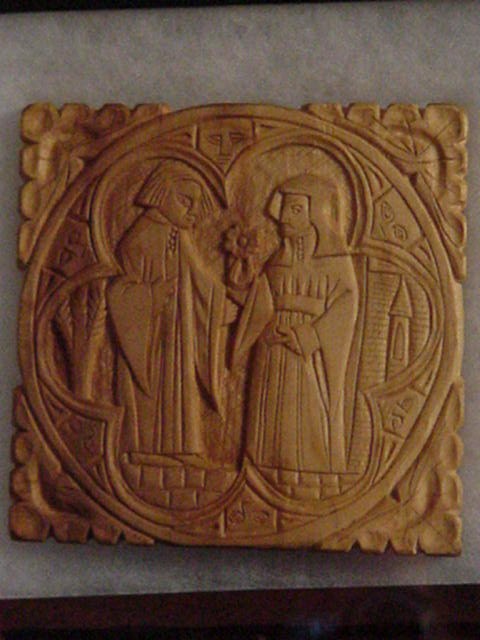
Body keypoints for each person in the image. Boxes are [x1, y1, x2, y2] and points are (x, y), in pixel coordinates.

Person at [107, 160, 234, 466]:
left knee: (179, 386)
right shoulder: (138, 239)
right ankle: (144, 450)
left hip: (179, 332)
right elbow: (119, 293)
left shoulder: (181, 237)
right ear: (161, 196)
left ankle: (182, 449)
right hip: (149, 339)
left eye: (196, 205)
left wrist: (220, 306)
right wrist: (151, 295)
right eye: (185, 201)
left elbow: (203, 283)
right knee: (153, 389)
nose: (193, 211)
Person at [232, 175, 359, 475]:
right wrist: (241, 274)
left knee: (307, 410)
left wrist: (309, 335)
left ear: (317, 214)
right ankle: (262, 469)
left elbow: (346, 304)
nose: (284, 217)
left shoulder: (336, 262)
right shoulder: (277, 260)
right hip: (272, 349)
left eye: (295, 209)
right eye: (285, 209)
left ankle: (312, 472)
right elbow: (260, 301)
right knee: (269, 411)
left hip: (306, 351)